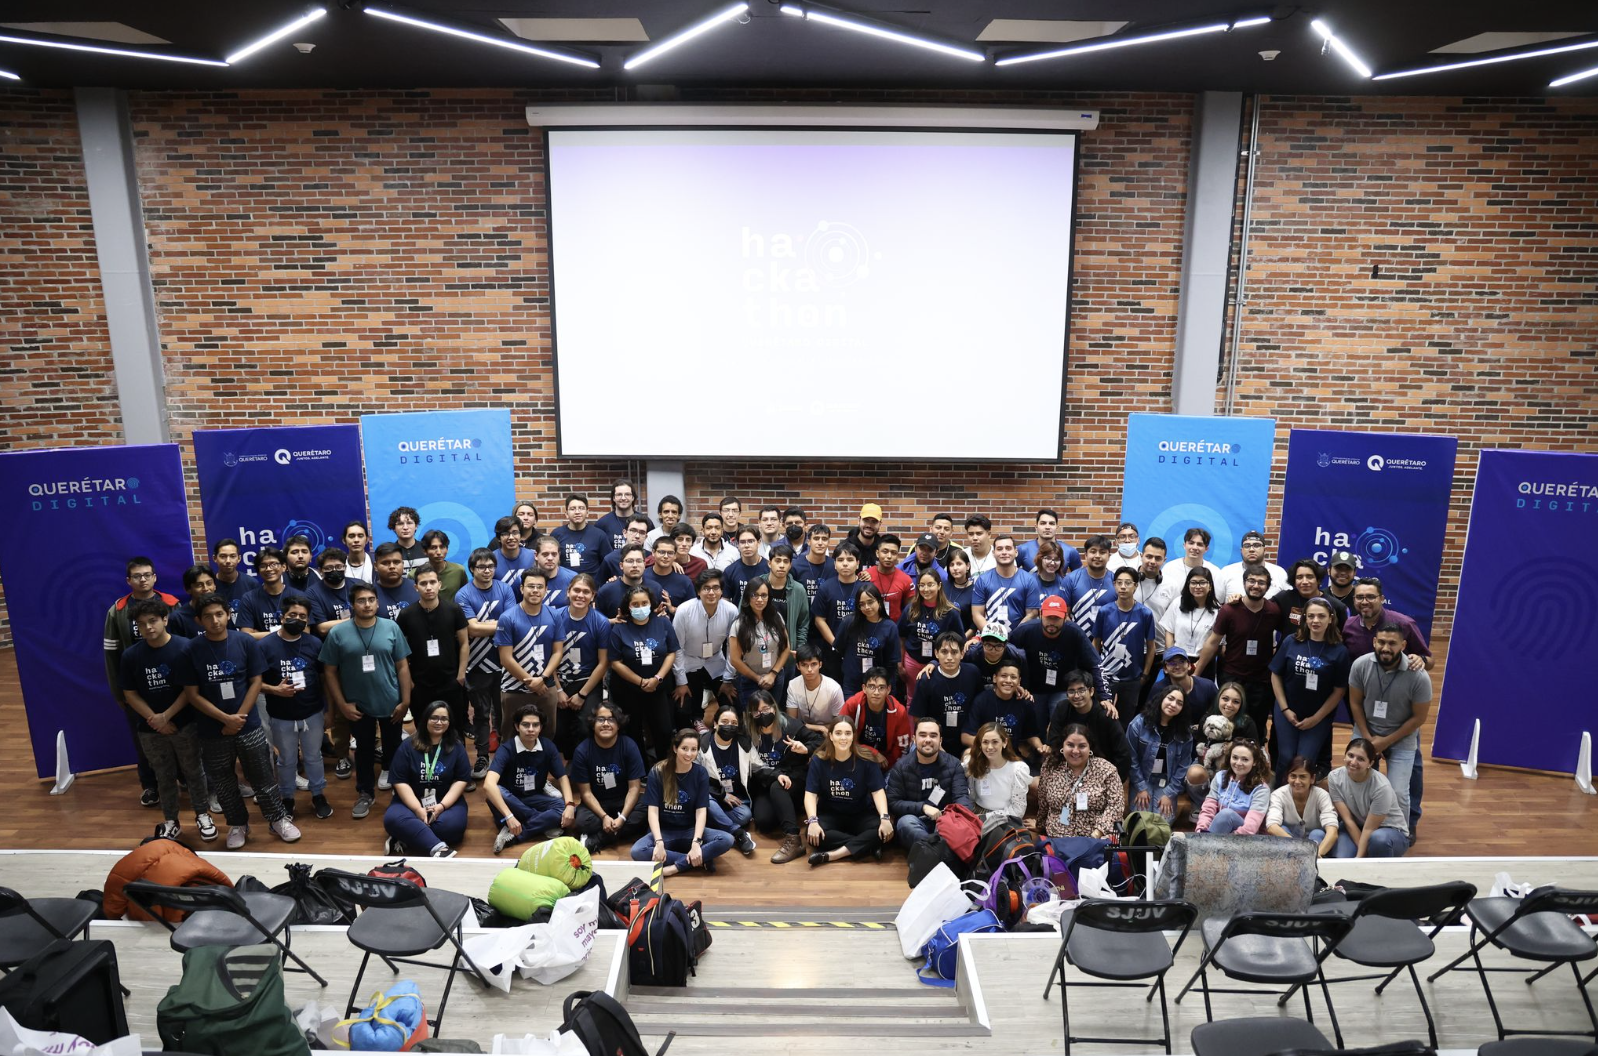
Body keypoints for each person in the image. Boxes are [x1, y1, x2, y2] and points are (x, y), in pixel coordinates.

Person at [176, 593, 300, 848]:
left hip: (248, 725)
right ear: (199, 620)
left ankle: (277, 819)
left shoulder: (244, 641)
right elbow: (191, 693)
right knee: (223, 780)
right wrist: (224, 718)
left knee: (262, 775)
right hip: (212, 729)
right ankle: (237, 824)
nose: (215, 620)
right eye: (208, 616)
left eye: (219, 614)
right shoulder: (191, 649)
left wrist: (239, 717)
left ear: (228, 615)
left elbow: (255, 681)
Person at [120, 598, 215, 841]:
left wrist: (167, 716)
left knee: (194, 771)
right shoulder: (131, 655)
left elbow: (190, 689)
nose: (148, 627)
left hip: (185, 723)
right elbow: (130, 694)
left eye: (153, 621)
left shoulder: (185, 647)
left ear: (165, 620)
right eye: (142, 624)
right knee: (163, 774)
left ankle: (203, 814)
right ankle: (171, 820)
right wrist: (155, 719)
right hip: (150, 728)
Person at [321, 581, 412, 821]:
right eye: (361, 600)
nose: (367, 604)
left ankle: (398, 791)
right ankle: (364, 793)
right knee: (363, 750)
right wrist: (341, 704)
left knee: (394, 747)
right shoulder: (338, 633)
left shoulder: (391, 627)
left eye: (371, 600)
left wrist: (405, 701)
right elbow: (329, 671)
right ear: (352, 605)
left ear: (377, 602)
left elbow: (402, 666)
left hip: (390, 701)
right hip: (357, 705)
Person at [105, 556, 181, 806]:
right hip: (137, 690)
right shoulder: (117, 611)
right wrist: (119, 693)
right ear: (129, 581)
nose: (143, 579)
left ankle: (184, 778)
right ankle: (150, 785)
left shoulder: (171, 604)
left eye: (147, 574)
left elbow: (185, 648)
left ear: (155, 577)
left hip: (174, 687)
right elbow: (111, 654)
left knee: (181, 735)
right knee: (143, 740)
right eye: (137, 576)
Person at [1346, 622, 1432, 842]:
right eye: (1381, 642)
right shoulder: (1360, 665)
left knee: (1398, 791)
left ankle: (1399, 834)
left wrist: (1384, 742)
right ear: (1374, 641)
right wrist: (1367, 738)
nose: (1386, 647)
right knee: (1357, 780)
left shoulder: (1419, 675)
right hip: (1366, 730)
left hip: (1401, 736)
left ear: (1403, 645)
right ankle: (1360, 826)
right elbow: (1355, 703)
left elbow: (1419, 718)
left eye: (1392, 643)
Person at [256, 596, 332, 821]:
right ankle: (287, 798)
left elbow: (324, 679)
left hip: (312, 713)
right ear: (282, 617)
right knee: (287, 760)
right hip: (281, 715)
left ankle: (318, 795)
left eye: (302, 617)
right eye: (292, 615)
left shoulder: (314, 643)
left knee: (314, 757)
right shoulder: (265, 645)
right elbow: (254, 683)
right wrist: (275, 690)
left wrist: (329, 710)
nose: (297, 620)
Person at [396, 566, 469, 774]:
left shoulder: (453, 610)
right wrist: (409, 681)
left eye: (432, 582)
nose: (428, 587)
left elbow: (464, 643)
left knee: (454, 729)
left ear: (440, 584)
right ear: (416, 587)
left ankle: (459, 772)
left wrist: (461, 675)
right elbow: (400, 651)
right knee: (424, 729)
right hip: (420, 683)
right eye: (423, 583)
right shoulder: (406, 614)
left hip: (451, 681)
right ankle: (426, 772)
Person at [1194, 565, 1281, 737]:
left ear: (1268, 587)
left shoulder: (1274, 611)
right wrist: (1196, 674)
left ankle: (1254, 758)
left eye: (1261, 582)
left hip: (1261, 680)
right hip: (1232, 676)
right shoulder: (1229, 610)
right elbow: (1213, 642)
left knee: (1256, 725)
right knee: (1226, 723)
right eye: (1251, 581)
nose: (1256, 585)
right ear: (1244, 583)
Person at [1268, 597, 1351, 777]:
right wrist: (1285, 709)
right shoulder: (1291, 641)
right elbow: (1276, 674)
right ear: (1304, 618)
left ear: (1330, 618)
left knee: (1305, 759)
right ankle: (1279, 798)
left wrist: (1316, 718)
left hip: (1318, 716)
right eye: (1311, 616)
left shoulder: (1339, 651)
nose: (1315, 621)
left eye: (1321, 616)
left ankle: (1302, 800)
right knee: (1286, 757)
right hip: (1287, 710)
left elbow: (1339, 690)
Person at [633, 729, 734, 876]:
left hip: (690, 830)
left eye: (693, 750)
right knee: (637, 851)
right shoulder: (658, 771)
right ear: (675, 748)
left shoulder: (700, 773)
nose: (689, 754)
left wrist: (696, 843)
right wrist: (659, 842)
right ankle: (700, 860)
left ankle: (677, 867)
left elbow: (701, 811)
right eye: (684, 748)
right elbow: (652, 811)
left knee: (727, 839)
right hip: (664, 831)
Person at [455, 547, 517, 779]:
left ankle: (504, 755)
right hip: (476, 664)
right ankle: (482, 757)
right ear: (472, 570)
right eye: (481, 567)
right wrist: (497, 624)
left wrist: (488, 625)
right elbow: (472, 628)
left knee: (503, 712)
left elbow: (513, 623)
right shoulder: (463, 594)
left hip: (504, 661)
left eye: (490, 566)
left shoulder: (505, 588)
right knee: (480, 713)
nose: (487, 570)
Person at [384, 700, 471, 858]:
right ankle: (438, 848)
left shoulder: (457, 747)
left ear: (449, 722)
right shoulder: (407, 746)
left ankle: (406, 835)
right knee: (391, 819)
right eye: (434, 718)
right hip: (410, 801)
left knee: (453, 827)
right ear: (425, 720)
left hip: (445, 801)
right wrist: (417, 809)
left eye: (444, 719)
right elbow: (400, 781)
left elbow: (461, 780)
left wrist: (442, 806)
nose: (439, 722)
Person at [484, 704, 576, 854]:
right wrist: (509, 815)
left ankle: (514, 835)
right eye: (525, 725)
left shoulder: (548, 746)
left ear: (541, 727)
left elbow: (562, 777)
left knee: (563, 807)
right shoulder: (506, 749)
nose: (531, 729)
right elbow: (488, 785)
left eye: (535, 725)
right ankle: (542, 822)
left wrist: (570, 804)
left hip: (534, 797)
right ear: (516, 726)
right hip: (510, 801)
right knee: (496, 791)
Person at [803, 716, 893, 866]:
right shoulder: (818, 760)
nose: (843, 738)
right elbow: (811, 794)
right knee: (812, 834)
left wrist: (884, 818)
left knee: (885, 829)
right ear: (830, 736)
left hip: (861, 813)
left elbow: (878, 791)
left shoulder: (867, 759)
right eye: (838, 733)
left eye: (847, 733)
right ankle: (867, 846)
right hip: (831, 814)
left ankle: (832, 855)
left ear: (853, 736)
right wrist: (812, 820)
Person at [745, 691, 820, 864]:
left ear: (774, 707)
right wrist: (775, 774)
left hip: (793, 777)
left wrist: (805, 748)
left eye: (766, 708)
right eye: (756, 712)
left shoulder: (791, 725)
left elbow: (819, 741)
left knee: (777, 787)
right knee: (764, 822)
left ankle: (794, 839)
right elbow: (754, 767)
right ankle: (790, 806)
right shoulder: (747, 731)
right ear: (750, 714)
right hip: (766, 780)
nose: (762, 714)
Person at [608, 584, 679, 764]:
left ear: (651, 603)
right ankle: (640, 769)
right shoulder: (620, 628)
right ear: (628, 607)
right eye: (635, 604)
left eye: (644, 603)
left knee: (664, 729)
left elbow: (672, 652)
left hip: (658, 687)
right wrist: (640, 682)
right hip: (627, 689)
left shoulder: (662, 621)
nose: (640, 608)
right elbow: (615, 662)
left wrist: (657, 678)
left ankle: (664, 765)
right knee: (632, 730)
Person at [1010, 595, 1111, 720]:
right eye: (1048, 617)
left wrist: (1105, 697)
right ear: (1041, 614)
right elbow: (1006, 654)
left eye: (1056, 618)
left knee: (1060, 724)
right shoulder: (1026, 630)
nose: (1051, 622)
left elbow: (1096, 664)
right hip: (1033, 689)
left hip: (1063, 689)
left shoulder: (1074, 632)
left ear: (1065, 617)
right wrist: (1015, 682)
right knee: (1035, 726)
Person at [568, 700, 648, 854]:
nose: (606, 724)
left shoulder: (629, 745)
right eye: (601, 719)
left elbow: (634, 788)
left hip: (623, 801)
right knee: (582, 821)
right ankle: (622, 831)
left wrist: (623, 817)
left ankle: (598, 839)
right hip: (597, 804)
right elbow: (585, 793)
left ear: (619, 724)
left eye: (611, 719)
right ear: (593, 724)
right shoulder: (582, 750)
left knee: (649, 805)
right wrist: (604, 816)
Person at [495, 569, 565, 740]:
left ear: (546, 589)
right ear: (521, 589)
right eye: (530, 586)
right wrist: (530, 682)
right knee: (511, 736)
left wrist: (542, 678)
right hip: (514, 688)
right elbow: (505, 658)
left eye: (539, 587)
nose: (535, 590)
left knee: (547, 735)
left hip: (545, 688)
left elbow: (558, 652)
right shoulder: (507, 618)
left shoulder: (554, 615)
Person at [885, 717, 972, 850]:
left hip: (945, 820)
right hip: (916, 820)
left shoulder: (953, 764)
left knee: (960, 824)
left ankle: (931, 852)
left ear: (940, 740)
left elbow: (962, 797)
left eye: (933, 735)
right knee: (904, 823)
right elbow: (893, 802)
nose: (928, 740)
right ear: (914, 739)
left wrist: (951, 819)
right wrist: (923, 807)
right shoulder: (901, 767)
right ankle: (940, 850)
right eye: (922, 735)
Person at [672, 569, 741, 727]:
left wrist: (728, 679)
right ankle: (695, 724)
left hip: (716, 660)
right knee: (683, 708)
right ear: (698, 591)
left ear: (722, 590)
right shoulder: (684, 611)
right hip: (689, 661)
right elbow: (677, 648)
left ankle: (721, 727)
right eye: (706, 588)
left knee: (732, 700)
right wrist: (681, 682)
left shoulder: (731, 610)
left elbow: (732, 647)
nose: (711, 592)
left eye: (716, 588)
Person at [551, 573, 610, 756]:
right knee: (557, 732)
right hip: (558, 681)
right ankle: (570, 760)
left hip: (587, 683)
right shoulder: (554, 617)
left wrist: (582, 695)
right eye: (576, 590)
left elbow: (603, 663)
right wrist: (558, 690)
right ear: (568, 592)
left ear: (593, 596)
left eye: (586, 592)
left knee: (585, 729)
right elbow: (549, 658)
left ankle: (579, 765)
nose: (580, 595)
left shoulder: (600, 622)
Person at [1036, 723, 1125, 839]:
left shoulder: (1106, 770)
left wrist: (1097, 834)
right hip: (1058, 840)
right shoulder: (1050, 767)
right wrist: (1040, 826)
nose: (1076, 751)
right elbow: (1043, 802)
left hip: (1096, 841)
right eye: (1070, 745)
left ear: (1090, 748)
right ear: (1062, 746)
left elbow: (1116, 806)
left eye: (1082, 746)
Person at [1125, 684, 1198, 822]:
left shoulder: (1185, 733)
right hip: (1142, 778)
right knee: (1141, 822)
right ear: (1161, 699)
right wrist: (1140, 787)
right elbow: (1131, 757)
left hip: (1167, 783)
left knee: (1162, 824)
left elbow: (1184, 766)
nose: (1173, 704)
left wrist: (1169, 793)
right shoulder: (1139, 723)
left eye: (1179, 703)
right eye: (1170, 698)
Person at [1094, 566, 1159, 719]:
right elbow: (1095, 643)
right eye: (1119, 582)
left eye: (1128, 583)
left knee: (1125, 719)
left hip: (1132, 679)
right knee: (1103, 717)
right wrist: (1096, 671)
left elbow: (1151, 648)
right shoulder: (1104, 611)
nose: (1123, 587)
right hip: (1106, 676)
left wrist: (1145, 675)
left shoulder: (1145, 614)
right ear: (1114, 584)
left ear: (1135, 586)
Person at [1045, 669, 1133, 781]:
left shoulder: (1106, 715)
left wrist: (1112, 782)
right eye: (1071, 691)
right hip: (1068, 768)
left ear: (1091, 691)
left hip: (1100, 773)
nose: (1076, 696)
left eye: (1081, 690)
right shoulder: (1062, 708)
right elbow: (1054, 741)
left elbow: (1123, 754)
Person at [698, 703, 762, 856]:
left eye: (734, 723)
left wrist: (778, 774)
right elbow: (695, 779)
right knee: (704, 799)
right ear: (715, 724)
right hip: (712, 797)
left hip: (736, 801)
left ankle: (710, 823)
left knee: (745, 815)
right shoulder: (702, 745)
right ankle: (738, 833)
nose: (729, 726)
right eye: (724, 722)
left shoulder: (744, 743)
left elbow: (759, 767)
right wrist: (722, 795)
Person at [1328, 738, 1408, 858]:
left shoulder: (1381, 787)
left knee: (1378, 840)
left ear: (1370, 763)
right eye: (1350, 755)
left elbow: (1370, 828)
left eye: (1361, 759)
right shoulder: (1334, 777)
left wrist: (1359, 859)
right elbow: (1348, 820)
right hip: (1356, 826)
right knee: (1342, 859)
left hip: (1389, 831)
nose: (1353, 762)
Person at [963, 658, 1044, 765]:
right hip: (985, 753)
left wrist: (1041, 748)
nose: (1008, 680)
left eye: (1013, 677)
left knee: (1028, 774)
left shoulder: (1025, 703)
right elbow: (965, 737)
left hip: (1011, 755)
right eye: (1004, 676)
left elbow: (1031, 734)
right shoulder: (982, 700)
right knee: (968, 754)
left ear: (1019, 681)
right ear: (995, 678)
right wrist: (993, 747)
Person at [1342, 577, 1434, 671]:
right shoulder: (1349, 625)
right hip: (1360, 684)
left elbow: (1430, 661)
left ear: (1382, 599)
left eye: (1371, 597)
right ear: (1354, 600)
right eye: (1360, 597)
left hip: (1397, 683)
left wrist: (1421, 660)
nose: (1365, 602)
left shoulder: (1404, 624)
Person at [911, 631, 984, 748]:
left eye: (954, 652)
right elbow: (918, 718)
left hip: (965, 737)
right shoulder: (926, 679)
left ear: (962, 654)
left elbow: (980, 705)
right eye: (944, 652)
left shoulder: (973, 673)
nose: (949, 657)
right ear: (936, 653)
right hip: (935, 740)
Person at [899, 570, 964, 701]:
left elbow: (959, 640)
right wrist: (900, 664)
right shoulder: (910, 609)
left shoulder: (951, 612)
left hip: (941, 664)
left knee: (937, 700)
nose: (926, 589)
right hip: (912, 662)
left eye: (930, 584)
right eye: (922, 585)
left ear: (939, 585)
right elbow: (901, 636)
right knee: (912, 699)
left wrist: (938, 662)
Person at [728, 580, 791, 706]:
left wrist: (773, 674)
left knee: (773, 714)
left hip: (775, 676)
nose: (759, 600)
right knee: (753, 718)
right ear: (747, 597)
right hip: (750, 679)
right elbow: (734, 660)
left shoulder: (776, 617)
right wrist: (758, 678)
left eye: (764, 595)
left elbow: (786, 648)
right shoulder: (739, 624)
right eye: (754, 595)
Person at [833, 584, 902, 698]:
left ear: (879, 601)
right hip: (852, 682)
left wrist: (890, 691)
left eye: (870, 602)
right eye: (862, 604)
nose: (867, 607)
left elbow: (891, 664)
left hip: (877, 686)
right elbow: (839, 648)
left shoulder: (890, 627)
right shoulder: (849, 622)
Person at [840, 666, 912, 771]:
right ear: (864, 688)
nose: (876, 692)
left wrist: (885, 766)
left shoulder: (899, 711)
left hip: (887, 762)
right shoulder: (853, 705)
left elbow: (902, 747)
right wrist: (872, 753)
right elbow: (840, 737)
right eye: (872, 687)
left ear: (888, 689)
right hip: (857, 755)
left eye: (881, 687)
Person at [1194, 740, 1273, 835]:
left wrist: (1229, 841)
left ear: (1254, 762)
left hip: (1245, 839)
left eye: (1245, 759)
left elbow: (1251, 827)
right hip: (1219, 832)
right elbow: (1208, 808)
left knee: (1227, 815)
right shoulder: (1220, 777)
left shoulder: (1261, 789)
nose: (1238, 763)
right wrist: (1201, 830)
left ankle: (1206, 844)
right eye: (1235, 757)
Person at [1266, 755, 1339, 858]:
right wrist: (1299, 847)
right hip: (1289, 843)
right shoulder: (1278, 795)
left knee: (1317, 833)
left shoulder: (1322, 795)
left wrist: (1316, 854)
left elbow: (1333, 831)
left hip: (1316, 844)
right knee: (1282, 828)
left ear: (1312, 779)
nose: (1297, 781)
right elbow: (1272, 826)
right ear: (1287, 777)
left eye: (1303, 777)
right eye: (1293, 776)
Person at [749, 543, 811, 665]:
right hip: (757, 651)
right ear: (769, 563)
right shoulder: (756, 585)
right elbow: (744, 614)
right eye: (777, 561)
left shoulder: (799, 590)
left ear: (790, 565)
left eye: (786, 562)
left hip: (787, 653)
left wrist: (799, 647)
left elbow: (803, 623)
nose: (781, 565)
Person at [811, 543, 865, 678]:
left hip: (861, 648)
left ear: (858, 563)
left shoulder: (866, 588)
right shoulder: (826, 588)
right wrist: (836, 644)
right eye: (840, 560)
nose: (845, 564)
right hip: (831, 649)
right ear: (834, 564)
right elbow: (819, 620)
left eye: (850, 560)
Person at [1159, 567, 1220, 680]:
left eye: (1202, 582)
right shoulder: (1178, 603)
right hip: (1176, 661)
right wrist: (1172, 658)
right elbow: (1169, 631)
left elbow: (1216, 644)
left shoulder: (1218, 611)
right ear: (1188, 585)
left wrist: (1196, 669)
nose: (1197, 586)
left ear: (1210, 586)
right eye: (1193, 582)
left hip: (1203, 663)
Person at [964, 723, 1032, 822]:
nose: (990, 747)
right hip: (977, 814)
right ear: (980, 744)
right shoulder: (972, 763)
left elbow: (1018, 810)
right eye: (985, 742)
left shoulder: (1017, 769)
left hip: (1006, 817)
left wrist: (987, 818)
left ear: (1004, 742)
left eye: (995, 742)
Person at [971, 535, 1039, 632]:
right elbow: (977, 614)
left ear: (1016, 552)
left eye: (1008, 548)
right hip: (990, 640)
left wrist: (1015, 636)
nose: (1004, 552)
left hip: (1019, 641)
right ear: (993, 553)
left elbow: (1032, 614)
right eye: (999, 549)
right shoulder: (983, 579)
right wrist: (994, 636)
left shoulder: (1029, 580)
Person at [1271, 559, 1349, 637]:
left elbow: (1342, 635)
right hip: (1289, 648)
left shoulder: (1335, 606)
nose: (1304, 581)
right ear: (1294, 581)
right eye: (1299, 577)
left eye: (1309, 577)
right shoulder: (1283, 598)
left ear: (1318, 580)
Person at [785, 643, 846, 734]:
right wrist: (818, 728)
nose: (809, 669)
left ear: (820, 665)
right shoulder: (793, 685)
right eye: (804, 665)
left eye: (813, 664)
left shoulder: (834, 688)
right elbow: (791, 722)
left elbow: (840, 724)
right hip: (802, 732)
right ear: (798, 666)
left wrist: (820, 729)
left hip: (828, 732)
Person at [1063, 534, 1116, 637]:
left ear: (1109, 556)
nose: (1097, 556)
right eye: (1093, 551)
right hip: (1076, 640)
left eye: (1102, 552)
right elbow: (1064, 614)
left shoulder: (1116, 581)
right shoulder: (1071, 579)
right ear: (1085, 555)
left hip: (1106, 641)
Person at [1150, 646, 1219, 723]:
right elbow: (1150, 715)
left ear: (1189, 665)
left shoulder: (1207, 686)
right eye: (1172, 663)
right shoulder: (1158, 688)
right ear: (1165, 669)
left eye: (1182, 661)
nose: (1177, 666)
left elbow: (1219, 712)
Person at [550, 494, 611, 578]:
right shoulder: (556, 534)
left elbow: (608, 562)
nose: (577, 512)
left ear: (587, 513)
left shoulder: (599, 535)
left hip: (592, 586)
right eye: (573, 509)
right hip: (565, 584)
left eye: (581, 508)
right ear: (566, 513)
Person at [1217, 530, 1289, 599]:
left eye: (1257, 545)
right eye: (1247, 546)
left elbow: (1289, 602)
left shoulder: (1279, 573)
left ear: (1264, 550)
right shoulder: (1226, 572)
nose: (1251, 549)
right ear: (1241, 550)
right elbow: (1216, 603)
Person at [238, 547, 291, 638]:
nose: (269, 569)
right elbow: (246, 637)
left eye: (273, 564)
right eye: (263, 566)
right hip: (260, 651)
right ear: (258, 570)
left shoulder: (297, 596)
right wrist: (284, 632)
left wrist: (258, 634)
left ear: (284, 567)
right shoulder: (249, 598)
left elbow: (304, 632)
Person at [864, 534, 915, 621]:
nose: (889, 556)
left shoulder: (906, 579)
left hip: (895, 630)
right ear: (877, 553)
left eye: (893, 553)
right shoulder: (865, 576)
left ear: (897, 555)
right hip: (868, 628)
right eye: (885, 551)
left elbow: (910, 611)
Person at [1017, 508, 1081, 573]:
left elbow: (1079, 577)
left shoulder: (1070, 551)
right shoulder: (1022, 550)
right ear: (1036, 526)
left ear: (1057, 527)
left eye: (1051, 523)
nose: (1047, 527)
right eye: (1043, 523)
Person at [720, 526, 770, 609]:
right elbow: (726, 602)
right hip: (740, 618)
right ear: (738, 545)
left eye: (751, 541)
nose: (746, 545)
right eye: (742, 542)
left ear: (759, 542)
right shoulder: (730, 571)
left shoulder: (769, 568)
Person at [594, 543, 649, 617]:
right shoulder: (606, 591)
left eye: (639, 561)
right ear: (621, 565)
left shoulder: (655, 589)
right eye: (630, 561)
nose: (635, 565)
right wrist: (611, 622)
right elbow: (597, 622)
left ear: (644, 565)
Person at [596, 478, 652, 552]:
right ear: (613, 498)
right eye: (619, 494)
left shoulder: (645, 522)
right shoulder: (602, 523)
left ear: (633, 497)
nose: (623, 498)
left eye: (627, 494)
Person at [307, 547, 353, 636]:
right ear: (320, 570)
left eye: (339, 566)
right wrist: (356, 620)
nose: (334, 570)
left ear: (345, 567)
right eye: (329, 568)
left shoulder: (359, 585)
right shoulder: (312, 593)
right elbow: (323, 628)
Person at [644, 536, 695, 615]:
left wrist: (673, 609)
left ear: (675, 556)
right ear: (653, 553)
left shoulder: (684, 582)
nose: (666, 556)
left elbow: (692, 611)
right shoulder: (642, 577)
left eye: (670, 553)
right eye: (661, 552)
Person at [372, 542, 421, 620]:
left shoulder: (417, 588)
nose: (392, 567)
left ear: (402, 564)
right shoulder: (369, 593)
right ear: (375, 566)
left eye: (396, 562)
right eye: (385, 563)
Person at [416, 529, 468, 600]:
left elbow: (465, 597)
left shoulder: (459, 571)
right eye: (434, 548)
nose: (439, 552)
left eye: (442, 547)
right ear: (425, 551)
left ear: (447, 549)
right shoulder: (416, 575)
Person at [210, 538, 256, 618]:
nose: (228, 561)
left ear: (239, 558)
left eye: (232, 556)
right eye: (223, 556)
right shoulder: (209, 585)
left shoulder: (251, 583)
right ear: (214, 558)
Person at [598, 517, 652, 584]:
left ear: (646, 537)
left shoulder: (651, 558)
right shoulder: (610, 560)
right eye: (633, 531)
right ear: (625, 533)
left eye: (642, 532)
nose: (637, 536)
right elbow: (600, 587)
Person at [169, 565, 217, 639]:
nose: (206, 588)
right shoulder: (178, 618)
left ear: (215, 586)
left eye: (209, 583)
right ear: (188, 589)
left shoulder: (221, 611)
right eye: (199, 585)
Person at [531, 535, 578, 609]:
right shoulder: (525, 579)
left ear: (559, 555)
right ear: (536, 555)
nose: (550, 558)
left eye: (554, 554)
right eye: (545, 554)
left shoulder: (573, 578)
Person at [791, 523, 835, 603]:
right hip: (803, 613)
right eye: (816, 538)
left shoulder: (835, 566)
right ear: (809, 542)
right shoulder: (795, 566)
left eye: (824, 539)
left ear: (829, 542)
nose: (820, 543)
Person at [1028, 540, 1071, 611]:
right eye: (1048, 558)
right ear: (1040, 558)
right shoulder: (1029, 581)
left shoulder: (1065, 583)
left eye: (1056, 559)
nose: (1052, 563)